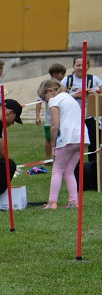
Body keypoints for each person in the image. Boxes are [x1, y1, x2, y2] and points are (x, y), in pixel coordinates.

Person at [41, 79, 88, 209]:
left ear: (50, 91)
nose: (45, 100)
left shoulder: (54, 100)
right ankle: (73, 201)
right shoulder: (69, 98)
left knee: (57, 169)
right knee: (69, 170)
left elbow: (54, 125)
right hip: (83, 137)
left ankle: (52, 202)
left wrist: (53, 145)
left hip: (69, 137)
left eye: (44, 96)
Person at [63, 56, 102, 157]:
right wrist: (76, 95)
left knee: (93, 144)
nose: (81, 68)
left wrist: (94, 94)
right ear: (73, 66)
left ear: (88, 66)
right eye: (78, 65)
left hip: (91, 117)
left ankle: (93, 164)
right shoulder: (67, 80)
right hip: (73, 118)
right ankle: (75, 166)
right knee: (75, 144)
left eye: (84, 65)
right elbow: (61, 97)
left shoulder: (94, 80)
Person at [36, 63, 67, 160]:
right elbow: (38, 101)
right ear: (54, 74)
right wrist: (37, 116)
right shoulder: (46, 86)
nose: (63, 76)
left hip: (61, 117)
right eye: (62, 74)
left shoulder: (62, 86)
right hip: (49, 118)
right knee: (49, 139)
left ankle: (59, 157)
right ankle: (48, 158)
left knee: (61, 138)